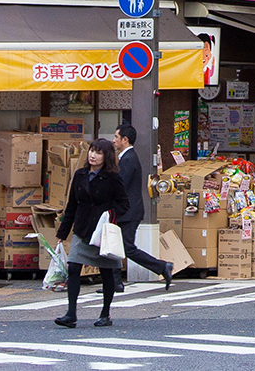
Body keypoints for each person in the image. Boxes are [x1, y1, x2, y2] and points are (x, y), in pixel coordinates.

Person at [53, 138, 130, 329]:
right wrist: (62, 232)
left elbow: (124, 204)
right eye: (91, 151)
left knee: (106, 272)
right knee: (73, 268)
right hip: (82, 227)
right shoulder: (80, 175)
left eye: (98, 152)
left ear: (107, 157)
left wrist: (110, 214)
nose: (93, 155)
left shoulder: (113, 178)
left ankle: (105, 313)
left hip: (102, 231)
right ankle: (71, 313)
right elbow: (71, 205)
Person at [112, 123, 172, 289]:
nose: (114, 140)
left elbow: (121, 185)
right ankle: (115, 282)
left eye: (116, 137)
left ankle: (162, 266)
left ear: (125, 139)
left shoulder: (129, 159)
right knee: (116, 246)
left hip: (129, 212)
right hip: (127, 211)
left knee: (126, 248)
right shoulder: (126, 158)